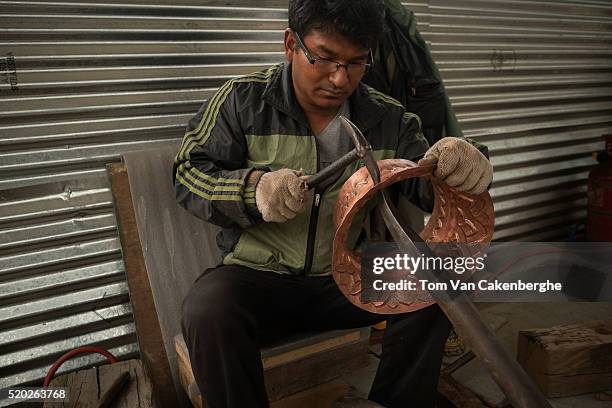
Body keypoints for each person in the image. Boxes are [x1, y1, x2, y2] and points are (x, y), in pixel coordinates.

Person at [174, 0, 493, 407]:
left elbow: (429, 178)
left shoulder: (385, 117)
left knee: (437, 282)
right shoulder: (242, 102)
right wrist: (252, 190)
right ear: (291, 43)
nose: (340, 79)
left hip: (347, 276)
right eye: (324, 58)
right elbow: (187, 173)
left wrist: (463, 157)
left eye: (356, 63)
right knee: (207, 309)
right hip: (259, 277)